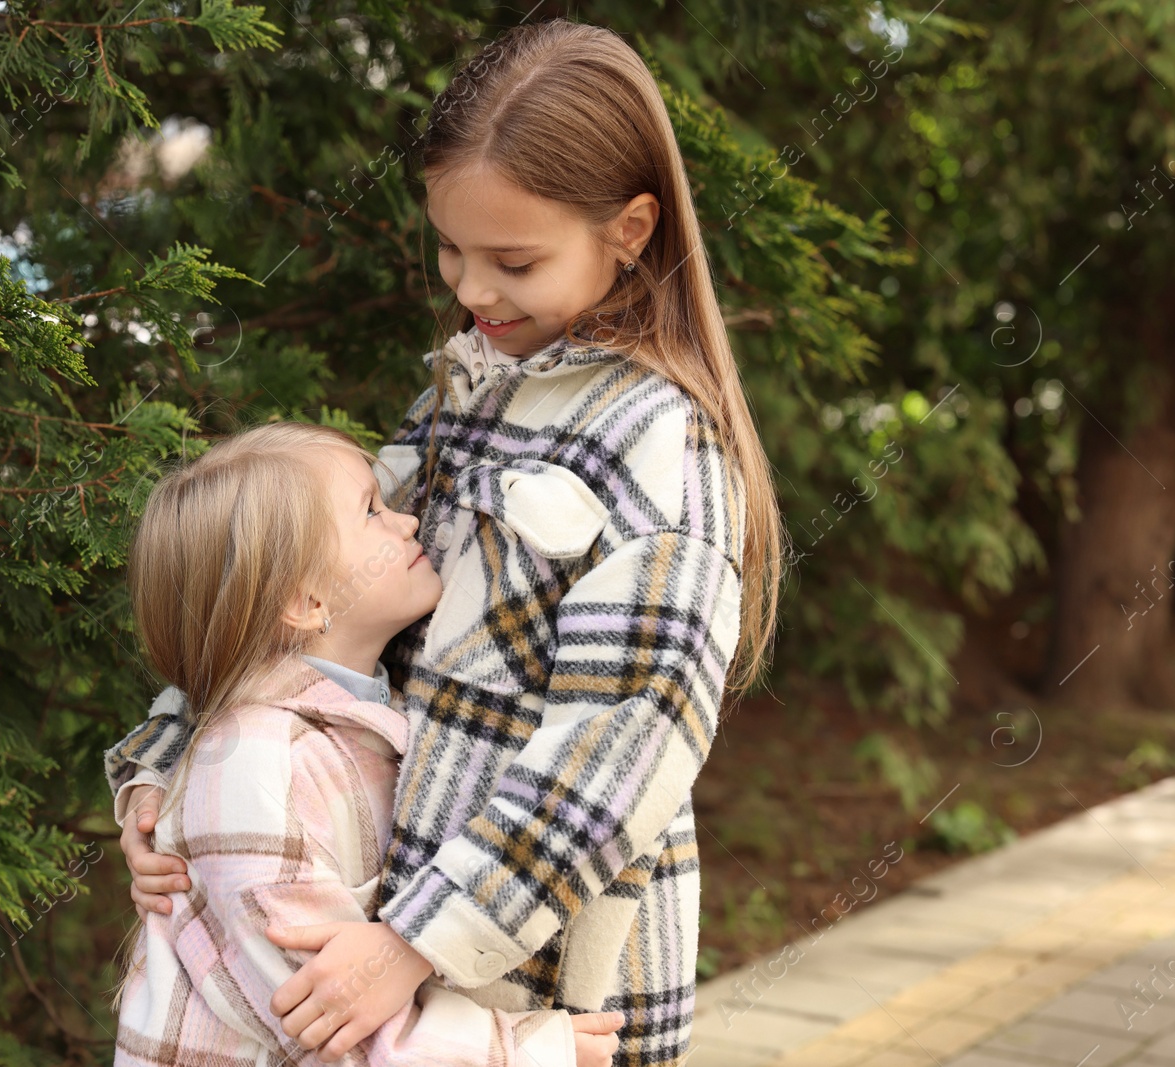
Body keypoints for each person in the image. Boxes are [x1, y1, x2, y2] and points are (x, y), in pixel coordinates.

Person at [106, 18, 785, 1065]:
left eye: (512, 259)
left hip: (541, 984)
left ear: (632, 228)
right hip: (392, 972)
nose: (470, 291)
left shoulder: (660, 449)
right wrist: (167, 757)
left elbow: (618, 747)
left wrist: (418, 939)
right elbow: (289, 575)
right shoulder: (471, 388)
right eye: (450, 249)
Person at [109, 422, 625, 1066]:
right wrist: (524, 1052)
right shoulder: (258, 768)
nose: (407, 523)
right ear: (306, 600)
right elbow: (321, 1014)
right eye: (372, 512)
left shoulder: (367, 708)